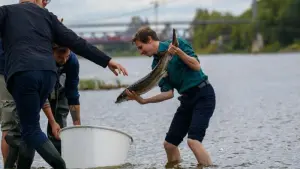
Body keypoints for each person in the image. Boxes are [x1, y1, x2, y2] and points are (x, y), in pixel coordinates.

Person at [0, 1, 128, 169]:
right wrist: (107, 60)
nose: (46, 2)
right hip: (48, 74)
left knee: (31, 130)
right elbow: (76, 41)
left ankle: (62, 166)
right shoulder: (47, 16)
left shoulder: (7, 12)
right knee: (28, 132)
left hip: (23, 73)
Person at [126, 27, 216, 167]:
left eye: (141, 47)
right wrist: (143, 101)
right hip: (186, 100)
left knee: (193, 141)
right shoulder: (156, 65)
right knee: (169, 145)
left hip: (203, 95)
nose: (140, 52)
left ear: (149, 40)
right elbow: (168, 93)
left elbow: (197, 66)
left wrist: (178, 52)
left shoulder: (178, 43)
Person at [46, 44, 81, 154]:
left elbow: (73, 92)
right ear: (52, 52)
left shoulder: (72, 61)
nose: (64, 60)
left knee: (59, 125)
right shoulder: (42, 57)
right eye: (60, 57)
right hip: (38, 88)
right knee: (29, 125)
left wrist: (77, 123)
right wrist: (52, 122)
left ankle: (61, 161)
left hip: (60, 90)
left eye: (67, 56)